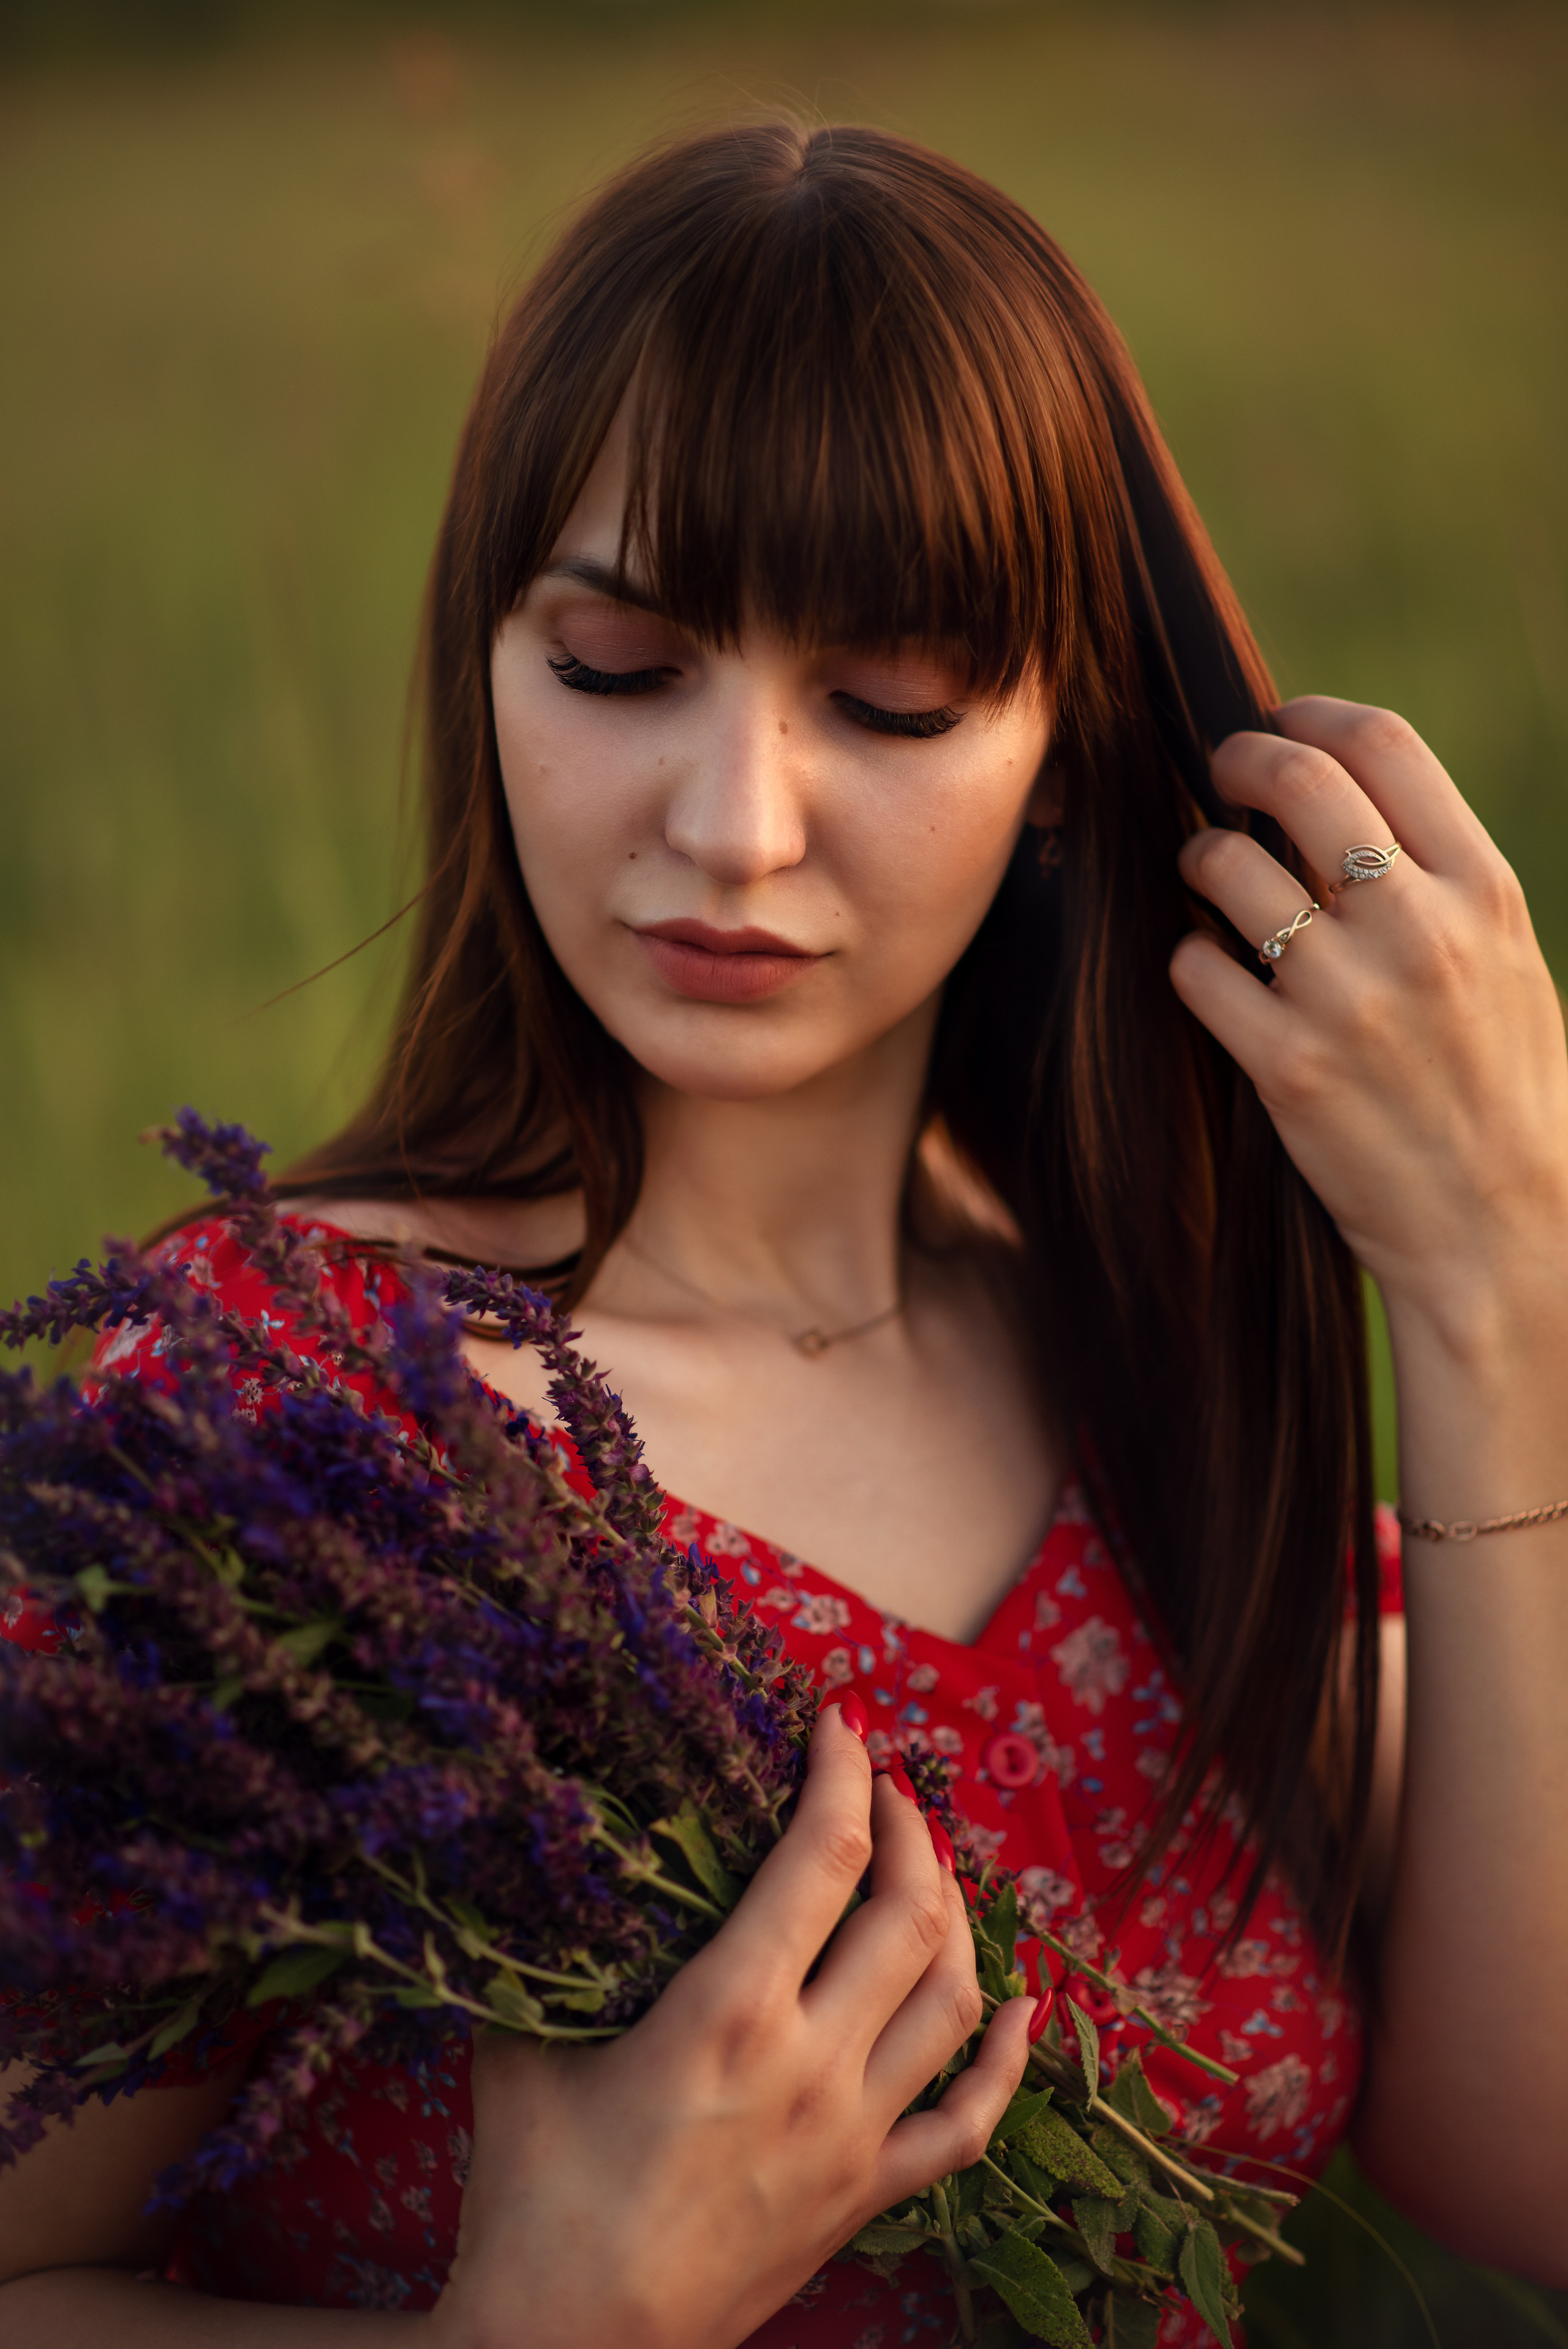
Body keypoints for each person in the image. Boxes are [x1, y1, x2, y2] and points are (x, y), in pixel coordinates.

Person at [2, 118, 1566, 2347]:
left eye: (894, 699)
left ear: (1059, 740)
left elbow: (1526, 2159)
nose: (732, 826)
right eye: (620, 665)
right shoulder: (276, 1420)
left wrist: (1508, 1280)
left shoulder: (1151, 1346)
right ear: (487, 665)